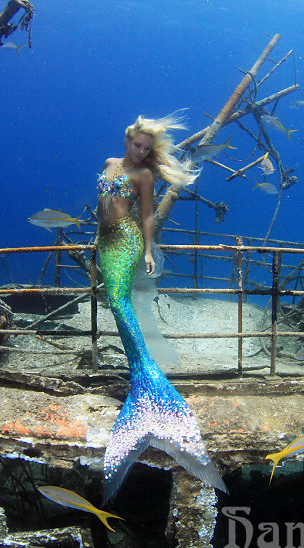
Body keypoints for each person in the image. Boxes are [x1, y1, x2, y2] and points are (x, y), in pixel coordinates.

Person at [97, 113, 227, 502]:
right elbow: (102, 207)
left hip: (126, 241)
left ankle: (147, 381)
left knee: (119, 305)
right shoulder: (109, 164)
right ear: (127, 139)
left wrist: (150, 250)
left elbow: (148, 214)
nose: (139, 151)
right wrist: (94, 248)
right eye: (136, 144)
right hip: (104, 242)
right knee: (115, 301)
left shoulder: (144, 177)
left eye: (146, 148)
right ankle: (144, 376)